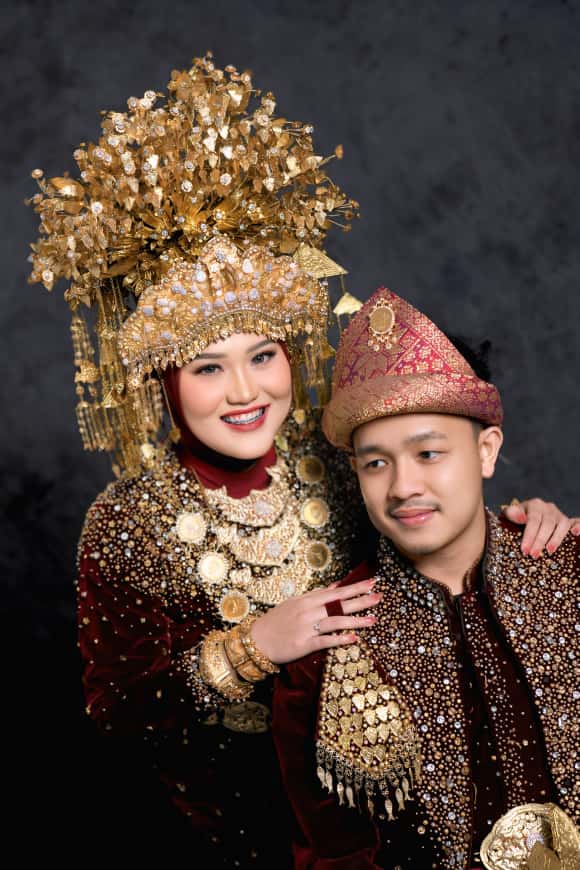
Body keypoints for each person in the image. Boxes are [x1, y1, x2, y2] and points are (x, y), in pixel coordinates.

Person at [29, 58, 577, 868]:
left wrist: (528, 528)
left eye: (264, 356)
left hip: (391, 810)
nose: (244, 391)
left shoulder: (343, 462)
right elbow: (116, 710)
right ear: (161, 382)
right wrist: (253, 645)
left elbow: (437, 512)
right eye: (208, 367)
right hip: (224, 832)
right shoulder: (130, 522)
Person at [272, 287, 579, 869]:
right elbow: (334, 853)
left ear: (486, 450)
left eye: (429, 454)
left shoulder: (567, 565)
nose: (403, 487)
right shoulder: (326, 644)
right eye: (376, 463)